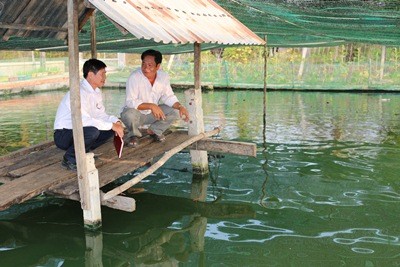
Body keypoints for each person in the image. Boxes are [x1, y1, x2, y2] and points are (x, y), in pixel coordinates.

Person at [54, 59, 124, 171]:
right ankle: (69, 159)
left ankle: (83, 152)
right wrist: (111, 125)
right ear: (91, 75)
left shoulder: (96, 92)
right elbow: (83, 121)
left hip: (78, 132)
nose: (105, 77)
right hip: (64, 134)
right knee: (92, 131)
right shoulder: (78, 92)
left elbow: (101, 115)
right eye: (102, 74)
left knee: (111, 128)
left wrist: (116, 122)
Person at [120, 49, 189, 147]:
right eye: (143, 64)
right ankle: (133, 135)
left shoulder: (163, 76)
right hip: (136, 115)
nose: (145, 68)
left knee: (175, 111)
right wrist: (151, 106)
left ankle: (154, 131)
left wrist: (180, 106)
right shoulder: (134, 77)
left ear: (158, 66)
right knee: (128, 113)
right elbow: (130, 102)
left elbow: (168, 97)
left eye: (150, 65)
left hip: (152, 115)